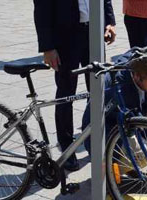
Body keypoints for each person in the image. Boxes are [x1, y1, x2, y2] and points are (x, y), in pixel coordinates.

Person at [80, 20, 147, 155]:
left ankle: (132, 167)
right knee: (143, 154)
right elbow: (146, 130)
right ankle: (115, 171)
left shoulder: (141, 59)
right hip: (104, 137)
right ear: (138, 76)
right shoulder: (125, 90)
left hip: (126, 123)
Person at [33, 0, 116, 171]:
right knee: (66, 93)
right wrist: (47, 47)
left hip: (93, 31)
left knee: (98, 89)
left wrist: (109, 22)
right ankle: (67, 146)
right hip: (65, 37)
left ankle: (96, 141)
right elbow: (42, 8)